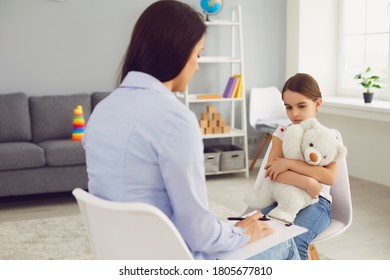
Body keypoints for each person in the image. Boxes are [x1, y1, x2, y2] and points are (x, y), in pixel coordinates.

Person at [83, 0, 299, 260]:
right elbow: (199, 234)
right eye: (197, 53)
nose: (198, 65)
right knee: (283, 242)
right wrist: (240, 234)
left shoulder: (102, 111)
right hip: (171, 260)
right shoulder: (175, 120)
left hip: (122, 256)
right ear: (178, 51)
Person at [261, 73, 339, 259]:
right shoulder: (281, 132)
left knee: (296, 240)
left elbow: (329, 177)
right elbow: (272, 172)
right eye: (288, 107)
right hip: (281, 197)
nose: (294, 113)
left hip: (317, 202)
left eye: (301, 106)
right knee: (255, 233)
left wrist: (288, 164)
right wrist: (307, 182)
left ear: (317, 104)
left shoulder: (328, 136)